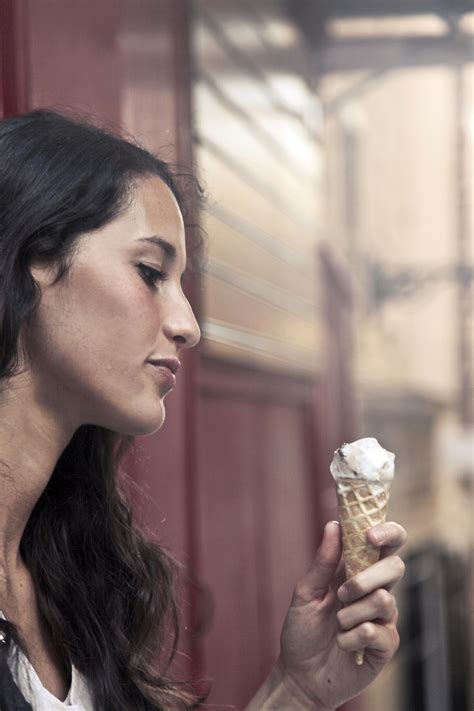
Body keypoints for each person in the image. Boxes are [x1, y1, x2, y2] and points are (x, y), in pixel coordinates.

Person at [0, 109, 407, 711]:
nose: (187, 325)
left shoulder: (67, 571)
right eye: (149, 272)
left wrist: (295, 691)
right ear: (34, 255)